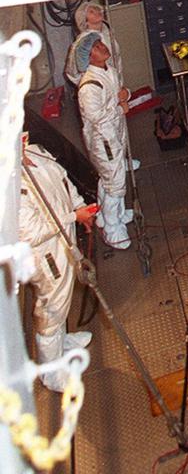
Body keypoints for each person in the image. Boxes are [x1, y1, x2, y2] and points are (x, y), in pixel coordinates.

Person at [19, 136, 97, 391]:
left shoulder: (35, 152)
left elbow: (62, 179)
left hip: (63, 239)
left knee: (62, 297)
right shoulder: (8, 186)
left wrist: (79, 207)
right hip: (45, 254)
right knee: (51, 307)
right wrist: (73, 216)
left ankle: (62, 343)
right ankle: (51, 373)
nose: (23, 136)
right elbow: (31, 232)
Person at [76, 32, 132, 250]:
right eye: (97, 47)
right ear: (89, 57)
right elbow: (96, 116)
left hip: (115, 132)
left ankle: (111, 213)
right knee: (115, 183)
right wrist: (119, 108)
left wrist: (125, 94)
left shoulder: (110, 71)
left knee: (110, 176)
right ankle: (112, 228)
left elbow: (120, 93)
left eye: (101, 43)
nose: (103, 47)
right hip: (103, 139)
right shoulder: (89, 86)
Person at [66, 0, 124, 89]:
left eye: (97, 9)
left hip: (114, 81)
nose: (97, 12)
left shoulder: (107, 34)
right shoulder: (84, 42)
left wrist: (117, 81)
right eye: (91, 12)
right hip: (99, 86)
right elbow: (72, 72)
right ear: (85, 20)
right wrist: (91, 86)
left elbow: (117, 59)